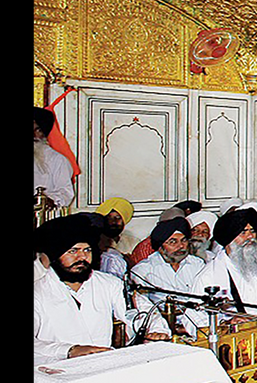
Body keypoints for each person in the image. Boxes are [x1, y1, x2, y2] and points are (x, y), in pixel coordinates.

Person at [34, 214, 167, 361]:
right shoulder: (37, 293)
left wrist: (157, 330)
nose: (82, 258)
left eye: (87, 250)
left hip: (101, 364)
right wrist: (70, 350)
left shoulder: (109, 284)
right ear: (55, 256)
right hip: (55, 370)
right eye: (73, 251)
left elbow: (142, 310)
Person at [129, 214, 207, 336]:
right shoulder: (143, 271)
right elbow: (143, 306)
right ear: (160, 247)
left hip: (198, 325)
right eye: (173, 242)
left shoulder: (197, 264)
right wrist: (164, 328)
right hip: (159, 330)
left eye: (184, 240)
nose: (180, 246)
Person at [34, 107, 76, 210]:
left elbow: (66, 194)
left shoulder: (57, 160)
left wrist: (47, 200)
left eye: (37, 130)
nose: (33, 135)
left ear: (44, 133)